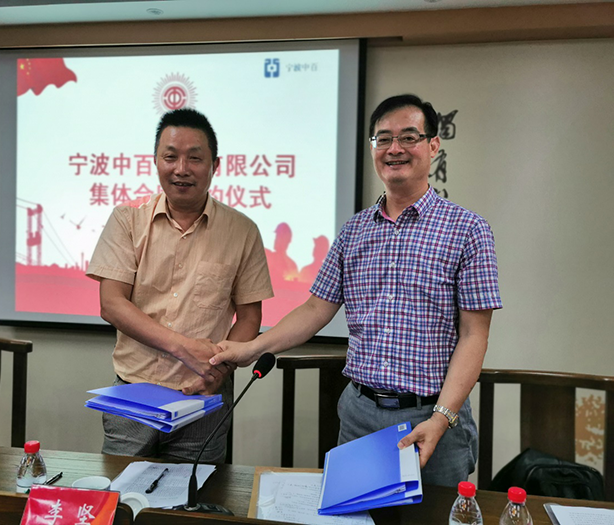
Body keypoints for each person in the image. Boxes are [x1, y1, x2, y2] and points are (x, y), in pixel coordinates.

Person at [212, 94, 502, 486]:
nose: (394, 149)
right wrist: (252, 348)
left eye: (408, 137)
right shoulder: (355, 230)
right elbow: (315, 309)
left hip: (433, 416)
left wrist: (442, 418)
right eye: (383, 139)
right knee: (355, 513)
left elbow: (474, 335)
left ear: (433, 145)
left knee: (433, 514)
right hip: (359, 415)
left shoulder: (467, 230)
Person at [86, 108, 273, 463]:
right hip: (134, 394)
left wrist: (219, 371)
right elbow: (111, 304)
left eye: (195, 158)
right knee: (121, 492)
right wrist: (184, 348)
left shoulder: (242, 231)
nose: (181, 169)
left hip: (204, 398)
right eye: (170, 157)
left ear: (215, 165)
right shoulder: (127, 220)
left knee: (195, 494)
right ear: (156, 161)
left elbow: (250, 317)